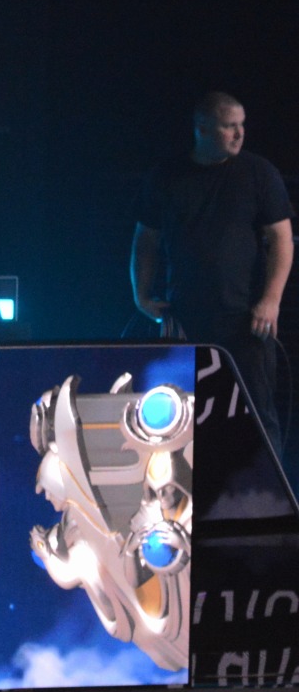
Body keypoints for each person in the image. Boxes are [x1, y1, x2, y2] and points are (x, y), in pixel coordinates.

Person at [133, 91, 294, 443]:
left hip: (246, 320)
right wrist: (141, 295)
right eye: (229, 126)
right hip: (186, 317)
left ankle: (266, 480)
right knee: (186, 414)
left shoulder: (259, 173)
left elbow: (282, 238)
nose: (239, 133)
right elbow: (146, 240)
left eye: (242, 125)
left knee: (256, 414)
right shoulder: (167, 176)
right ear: (202, 129)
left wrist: (271, 300)